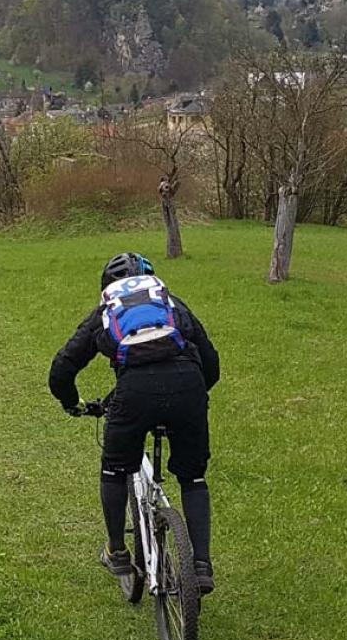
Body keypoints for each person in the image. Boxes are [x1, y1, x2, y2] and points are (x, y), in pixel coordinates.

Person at [48, 252, 220, 594]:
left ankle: (118, 552)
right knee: (194, 477)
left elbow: (62, 369)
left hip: (135, 391)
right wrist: (195, 397)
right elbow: (211, 363)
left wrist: (73, 404)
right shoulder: (171, 302)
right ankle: (200, 565)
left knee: (114, 468)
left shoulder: (107, 310)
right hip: (189, 385)